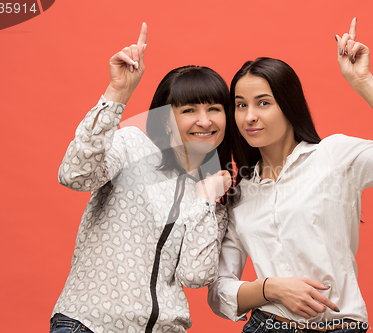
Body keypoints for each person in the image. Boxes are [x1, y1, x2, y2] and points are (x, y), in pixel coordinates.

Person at [208, 18, 373, 332]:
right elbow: (219, 292)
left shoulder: (333, 155)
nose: (249, 116)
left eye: (263, 103)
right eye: (240, 105)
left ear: (288, 105)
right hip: (267, 326)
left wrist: (362, 80)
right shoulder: (240, 191)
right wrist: (270, 288)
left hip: (342, 326)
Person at [50, 22, 233, 333]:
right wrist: (118, 93)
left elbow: (195, 275)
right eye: (189, 110)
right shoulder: (132, 145)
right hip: (90, 325)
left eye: (214, 109)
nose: (205, 121)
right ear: (164, 120)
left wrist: (205, 198)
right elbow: (74, 175)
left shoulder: (214, 192)